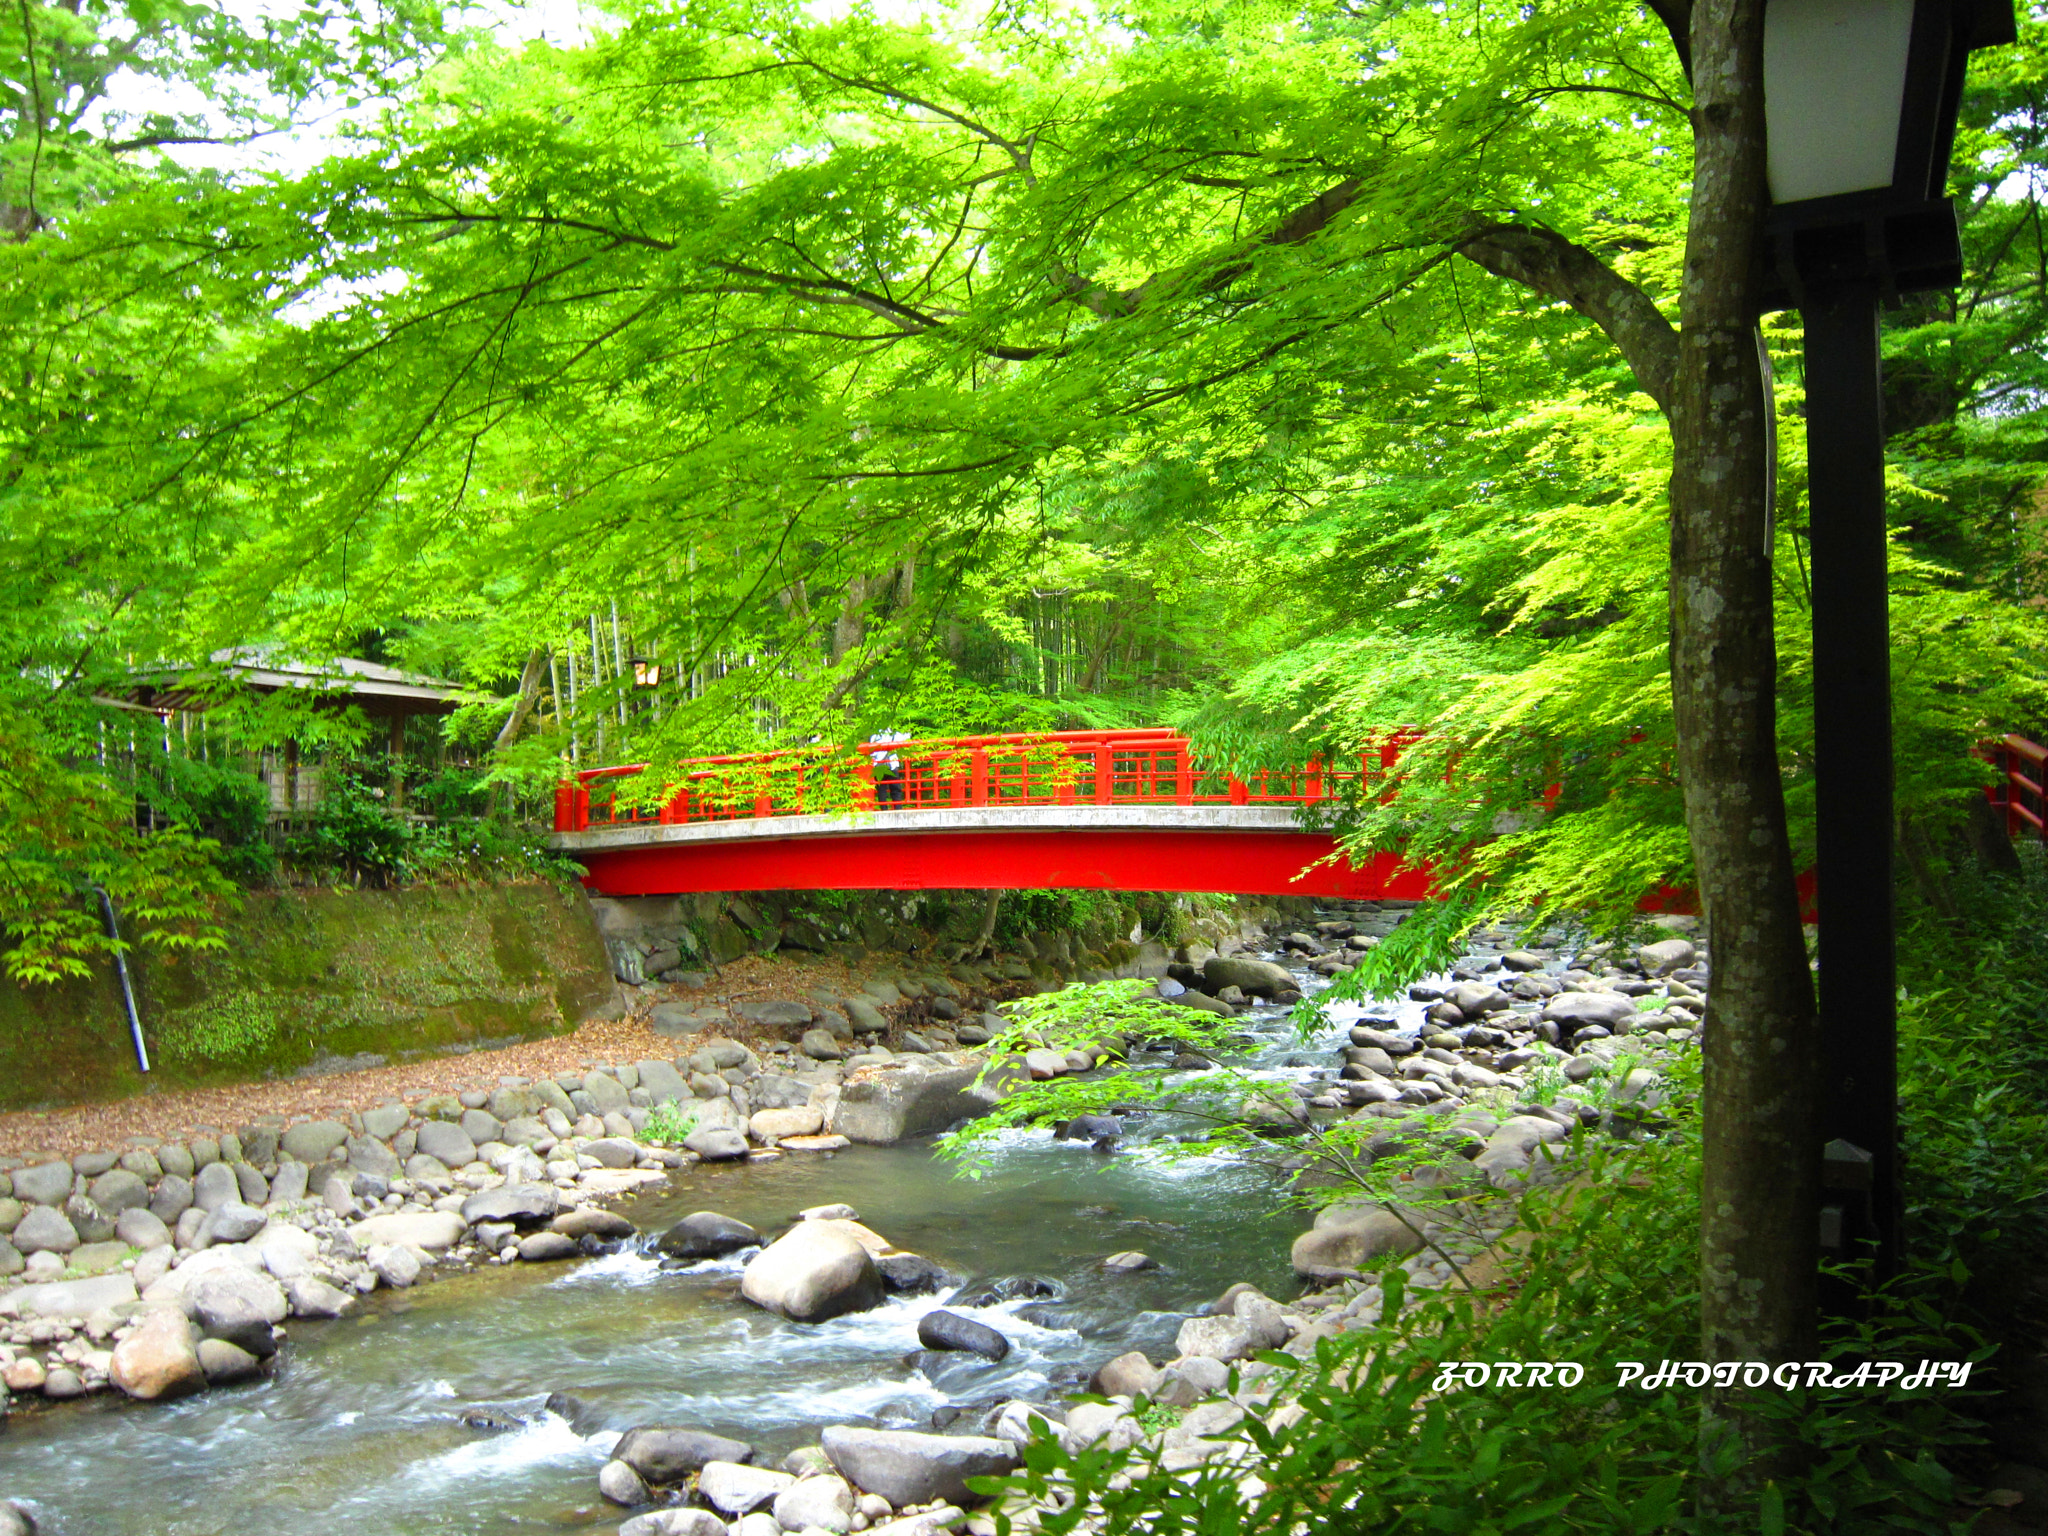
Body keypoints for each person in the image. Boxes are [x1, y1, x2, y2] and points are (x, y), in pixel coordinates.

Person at [867, 728, 911, 806]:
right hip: (892, 764)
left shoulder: (875, 736)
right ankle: (898, 808)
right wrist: (909, 731)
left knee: (881, 789)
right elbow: (905, 739)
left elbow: (872, 753)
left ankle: (883, 809)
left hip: (879, 765)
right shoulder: (895, 734)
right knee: (895, 788)